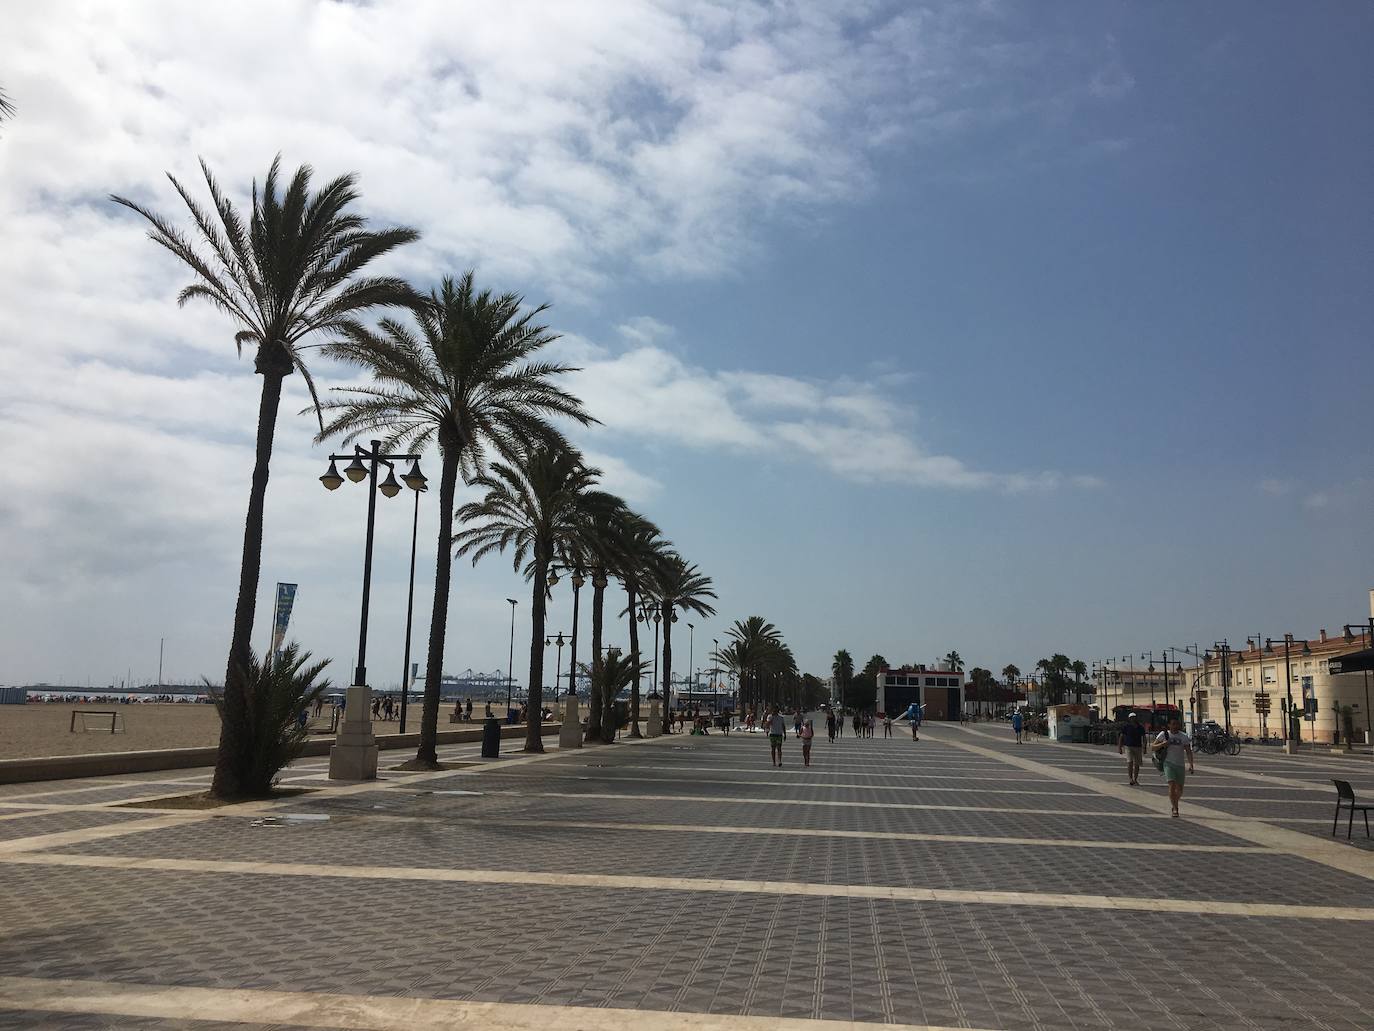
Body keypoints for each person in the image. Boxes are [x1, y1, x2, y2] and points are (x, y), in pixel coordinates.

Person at [1152, 716, 1195, 816]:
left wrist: (1191, 764)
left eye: (1177, 724)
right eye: (1173, 724)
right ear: (1169, 725)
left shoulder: (1183, 736)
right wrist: (1163, 744)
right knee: (1171, 786)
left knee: (1179, 790)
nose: (1175, 726)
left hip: (1180, 765)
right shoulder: (1163, 734)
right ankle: (1175, 808)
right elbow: (1153, 747)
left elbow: (1188, 751)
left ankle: (1174, 802)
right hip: (1168, 763)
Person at [1118, 712, 1146, 785]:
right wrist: (1120, 747)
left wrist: (1144, 747)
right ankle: (1130, 778)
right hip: (1128, 746)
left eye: (1134, 717)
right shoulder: (1126, 726)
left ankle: (1135, 779)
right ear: (1129, 718)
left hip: (1138, 747)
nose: (1133, 718)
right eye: (1131, 717)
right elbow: (1121, 736)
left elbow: (1144, 737)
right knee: (1130, 762)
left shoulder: (1140, 727)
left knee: (1137, 764)